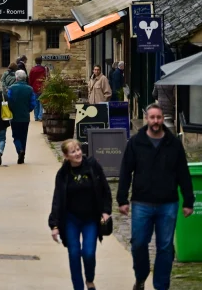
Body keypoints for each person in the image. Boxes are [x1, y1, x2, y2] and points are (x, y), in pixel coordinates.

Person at [118, 104, 195, 290]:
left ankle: (161, 285)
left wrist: (188, 201)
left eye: (158, 117)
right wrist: (122, 199)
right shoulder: (136, 142)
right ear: (146, 119)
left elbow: (183, 173)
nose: (155, 121)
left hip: (167, 203)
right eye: (152, 117)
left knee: (165, 247)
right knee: (138, 243)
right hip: (141, 202)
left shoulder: (173, 143)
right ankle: (141, 276)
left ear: (162, 119)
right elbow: (126, 171)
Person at [49, 139, 113, 290]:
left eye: (78, 149)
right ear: (66, 156)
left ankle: (89, 279)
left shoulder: (92, 166)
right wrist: (54, 225)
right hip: (71, 219)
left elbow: (105, 189)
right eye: (73, 151)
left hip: (90, 218)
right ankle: (78, 287)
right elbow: (57, 199)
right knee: (74, 253)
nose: (77, 153)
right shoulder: (63, 174)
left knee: (89, 253)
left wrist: (105, 211)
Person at [7, 69, 35, 164]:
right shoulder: (30, 89)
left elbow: (8, 101)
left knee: (16, 136)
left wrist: (11, 110)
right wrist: (28, 109)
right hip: (25, 116)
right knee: (24, 136)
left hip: (14, 116)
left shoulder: (11, 88)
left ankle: (20, 151)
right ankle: (22, 155)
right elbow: (33, 103)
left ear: (16, 78)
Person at [29, 57, 48, 121]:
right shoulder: (44, 69)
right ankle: (40, 116)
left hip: (34, 87)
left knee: (36, 102)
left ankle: (36, 117)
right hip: (42, 87)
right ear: (41, 61)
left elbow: (30, 79)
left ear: (35, 61)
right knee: (41, 102)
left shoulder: (32, 69)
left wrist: (31, 86)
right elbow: (46, 78)